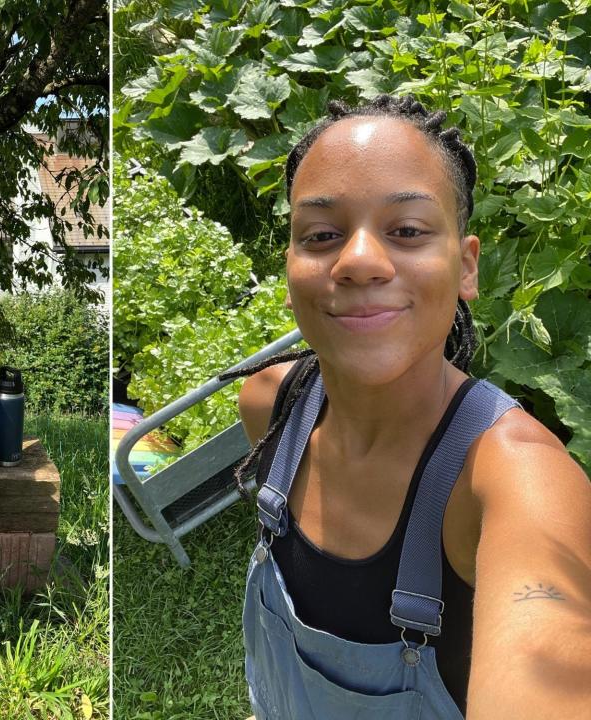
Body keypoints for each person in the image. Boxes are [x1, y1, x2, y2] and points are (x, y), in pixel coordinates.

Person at [230, 95, 591, 718]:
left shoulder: (518, 478)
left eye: (407, 231)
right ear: (291, 269)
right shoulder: (269, 407)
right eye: (321, 235)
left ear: (467, 267)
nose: (360, 261)